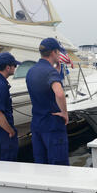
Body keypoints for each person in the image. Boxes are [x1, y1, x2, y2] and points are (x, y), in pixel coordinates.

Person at [26, 38, 70, 166]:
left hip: (37, 124)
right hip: (53, 124)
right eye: (58, 52)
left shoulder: (31, 71)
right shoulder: (50, 72)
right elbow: (59, 93)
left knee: (41, 166)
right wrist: (64, 113)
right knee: (59, 166)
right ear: (54, 52)